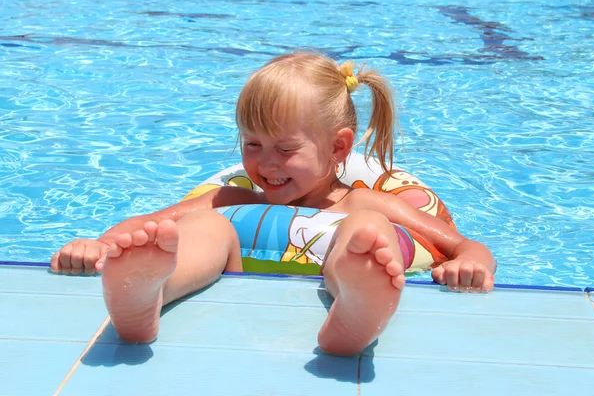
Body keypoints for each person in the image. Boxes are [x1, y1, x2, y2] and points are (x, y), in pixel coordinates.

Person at [50, 52, 496, 356]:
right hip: (232, 264)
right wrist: (99, 244)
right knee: (206, 226)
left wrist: (471, 265)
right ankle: (148, 295)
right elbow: (148, 226)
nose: (266, 164)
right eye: (252, 144)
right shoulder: (232, 198)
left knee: (364, 230)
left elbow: (464, 246)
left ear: (339, 148)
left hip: (351, 250)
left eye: (285, 150)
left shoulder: (366, 200)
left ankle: (356, 304)